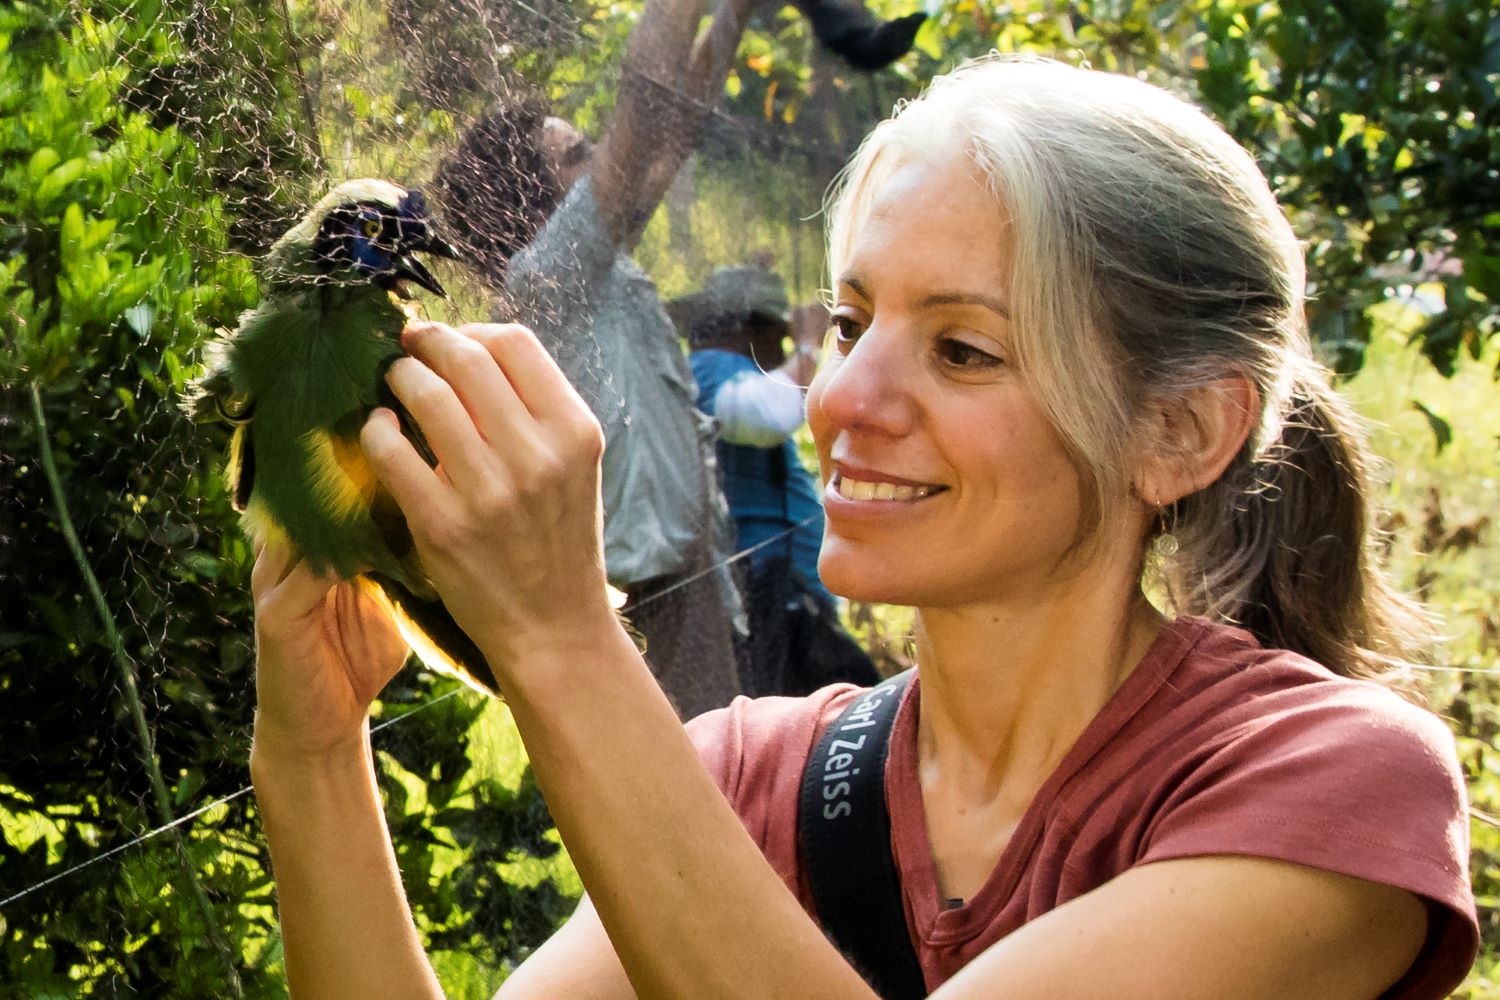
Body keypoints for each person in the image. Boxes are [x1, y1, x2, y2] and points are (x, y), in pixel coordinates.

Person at [249, 55, 1479, 999]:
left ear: (1182, 434)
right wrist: (310, 751)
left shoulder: (1330, 792)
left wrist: (561, 636)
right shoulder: (747, 778)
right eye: (849, 324)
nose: (838, 400)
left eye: (961, 349)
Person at [429, 0, 760, 718]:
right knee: (703, 808)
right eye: (576, 155)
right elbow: (642, 114)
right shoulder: (549, 276)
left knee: (728, 785)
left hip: (683, 569)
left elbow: (675, 126)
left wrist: (732, 15)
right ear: (531, 195)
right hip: (650, 587)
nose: (601, 161)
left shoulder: (595, 268)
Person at [675, 262, 880, 696]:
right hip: (765, 588)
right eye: (775, 333)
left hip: (786, 591)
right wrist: (808, 347)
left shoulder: (722, 368)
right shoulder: (709, 367)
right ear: (747, 329)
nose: (780, 345)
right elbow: (765, 416)